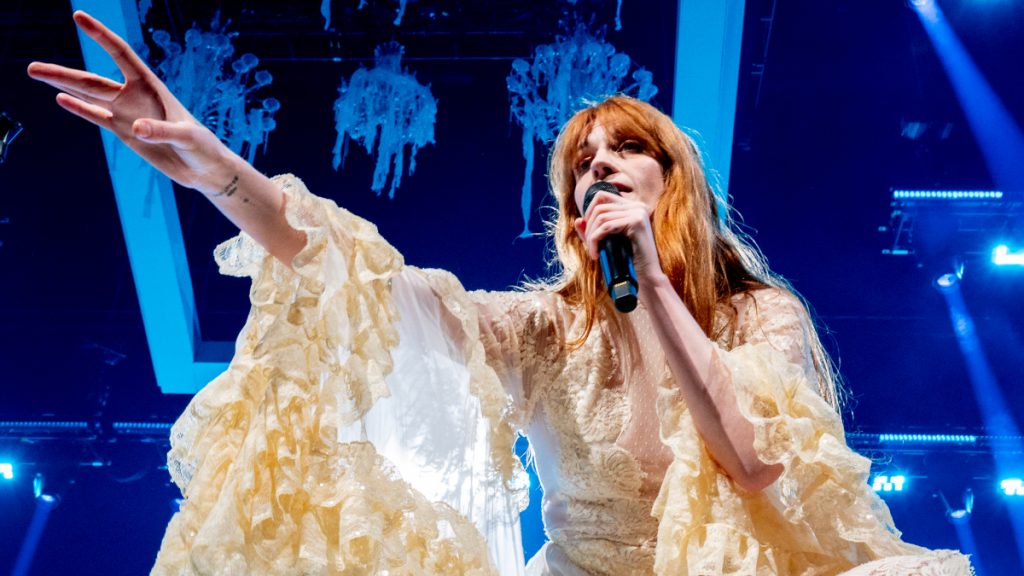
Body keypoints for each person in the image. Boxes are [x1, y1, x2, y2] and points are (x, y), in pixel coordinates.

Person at [30, 11, 972, 576]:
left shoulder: (762, 315)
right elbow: (377, 291)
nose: (597, 167)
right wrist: (218, 172)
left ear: (673, 181)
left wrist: (647, 283)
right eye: (580, 168)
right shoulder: (544, 329)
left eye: (624, 150)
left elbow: (756, 461)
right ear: (570, 219)